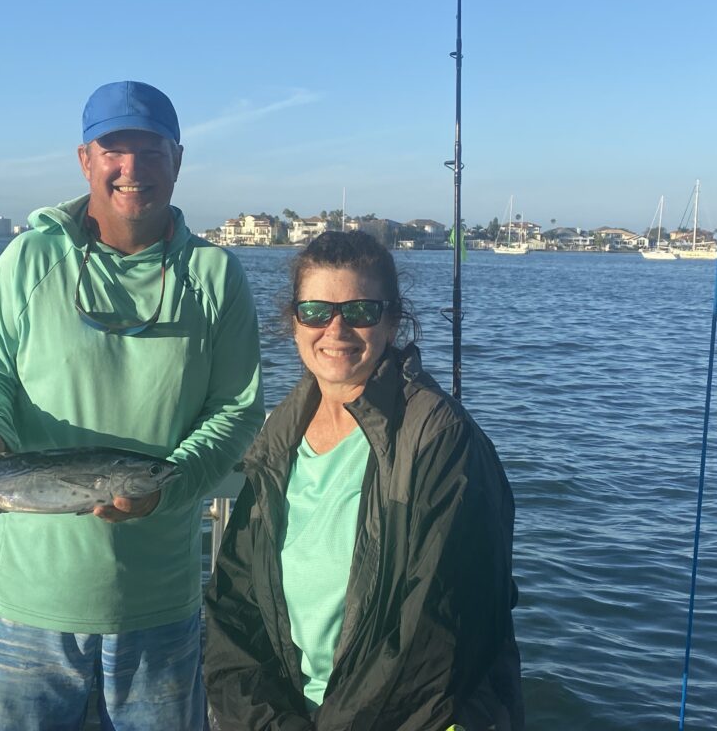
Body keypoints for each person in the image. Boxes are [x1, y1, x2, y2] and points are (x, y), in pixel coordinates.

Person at [0, 80, 264, 731]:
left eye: (151, 152)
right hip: (22, 605)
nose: (133, 169)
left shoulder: (215, 277)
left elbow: (237, 410)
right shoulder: (29, 259)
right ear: (85, 160)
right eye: (114, 150)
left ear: (178, 160)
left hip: (157, 607)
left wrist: (167, 490)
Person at [204, 231, 523, 730]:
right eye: (315, 311)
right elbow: (234, 610)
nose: (336, 329)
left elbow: (438, 638)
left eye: (360, 312)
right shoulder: (277, 438)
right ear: (293, 320)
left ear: (392, 321)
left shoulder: (442, 441)